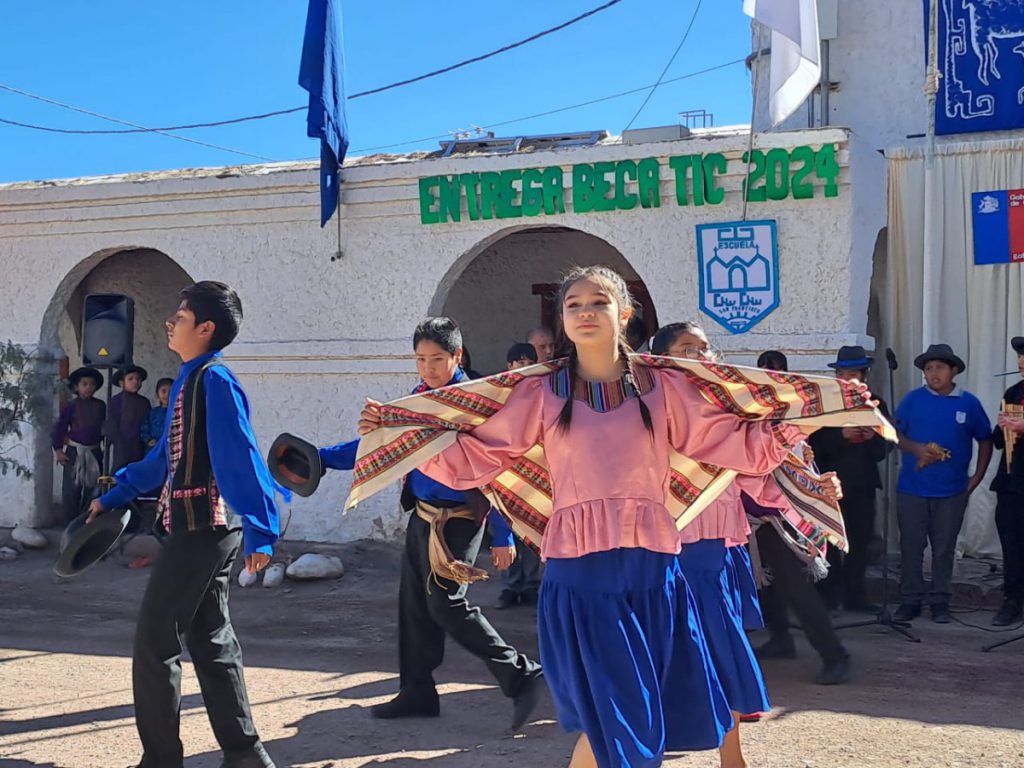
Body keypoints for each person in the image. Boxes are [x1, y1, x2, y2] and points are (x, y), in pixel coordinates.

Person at [355, 267, 880, 768]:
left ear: (624, 312)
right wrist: (401, 432)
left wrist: (811, 416)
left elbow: (730, 445)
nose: (585, 312)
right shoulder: (541, 391)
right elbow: (477, 458)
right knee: (617, 716)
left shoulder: (664, 386)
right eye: (573, 305)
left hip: (654, 573)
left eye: (598, 302)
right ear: (562, 319)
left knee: (641, 717)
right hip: (580, 577)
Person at [86, 281, 281, 768]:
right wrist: (112, 496)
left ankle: (161, 760)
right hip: (196, 533)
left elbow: (241, 455)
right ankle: (245, 754)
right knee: (212, 643)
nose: (170, 322)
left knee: (155, 647)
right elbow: (160, 463)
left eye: (180, 316)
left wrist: (261, 527)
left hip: (202, 534)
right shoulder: (190, 380)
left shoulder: (215, 381)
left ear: (206, 328)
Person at [329, 318, 543, 726]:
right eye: (420, 359)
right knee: (413, 608)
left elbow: (498, 470)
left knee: (446, 604)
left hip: (458, 521)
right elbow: (387, 444)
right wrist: (322, 459)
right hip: (422, 516)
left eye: (437, 358)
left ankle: (520, 674)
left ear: (458, 356)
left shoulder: (476, 403)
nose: (427, 367)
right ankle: (416, 693)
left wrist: (502, 534)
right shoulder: (420, 397)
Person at [652, 321, 774, 768]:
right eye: (690, 348)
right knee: (665, 651)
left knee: (721, 647)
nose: (704, 357)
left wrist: (811, 488)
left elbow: (755, 478)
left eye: (706, 349)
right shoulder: (648, 412)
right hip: (662, 549)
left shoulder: (727, 413)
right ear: (665, 360)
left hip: (713, 551)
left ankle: (733, 757)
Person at [751, 350, 851, 686]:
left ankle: (834, 655)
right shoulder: (746, 421)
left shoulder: (791, 426)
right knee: (763, 582)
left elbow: (801, 470)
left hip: (780, 517)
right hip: (745, 517)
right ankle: (781, 638)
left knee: (796, 586)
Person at [893, 343, 992, 624]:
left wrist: (977, 478)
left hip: (952, 490)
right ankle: (910, 600)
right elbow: (893, 433)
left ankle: (940, 601)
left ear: (953, 371)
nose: (933, 373)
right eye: (928, 368)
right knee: (911, 546)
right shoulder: (912, 400)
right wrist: (915, 449)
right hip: (912, 488)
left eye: (939, 367)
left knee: (944, 548)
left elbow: (985, 439)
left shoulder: (968, 403)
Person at [810, 346, 892, 613]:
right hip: (828, 486)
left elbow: (886, 447)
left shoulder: (875, 402)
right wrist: (841, 436)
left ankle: (855, 597)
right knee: (829, 543)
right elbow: (812, 445)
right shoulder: (824, 403)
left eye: (854, 372)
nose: (848, 378)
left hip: (863, 485)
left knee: (860, 542)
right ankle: (827, 598)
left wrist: (872, 438)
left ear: (864, 374)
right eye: (843, 372)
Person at [496, 342, 543, 609]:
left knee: (533, 531)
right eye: (518, 362)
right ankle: (510, 586)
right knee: (507, 527)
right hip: (506, 469)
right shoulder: (500, 393)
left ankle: (531, 585)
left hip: (536, 471)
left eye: (528, 362)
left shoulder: (544, 391)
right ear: (509, 365)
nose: (523, 367)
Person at [990, 336, 1024, 626]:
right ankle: (1012, 599)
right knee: (1012, 544)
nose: (1021, 361)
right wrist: (1004, 426)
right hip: (1012, 484)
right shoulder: (1012, 393)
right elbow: (999, 443)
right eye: (1020, 357)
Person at [52, 366, 106, 524]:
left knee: (94, 488)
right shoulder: (70, 406)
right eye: (84, 384)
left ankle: (87, 520)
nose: (89, 387)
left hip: (95, 451)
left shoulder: (100, 406)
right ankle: (70, 523)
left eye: (92, 384)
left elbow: (103, 428)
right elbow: (60, 428)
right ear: (76, 387)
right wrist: (58, 450)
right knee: (71, 489)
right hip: (74, 452)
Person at [109, 365, 151, 471]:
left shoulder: (144, 402)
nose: (135, 382)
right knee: (119, 474)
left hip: (140, 446)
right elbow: (112, 424)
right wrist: (117, 442)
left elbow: (148, 422)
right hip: (121, 446)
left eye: (138, 379)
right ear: (122, 383)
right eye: (130, 379)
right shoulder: (116, 401)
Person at [142, 377, 174, 449]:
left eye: (171, 392)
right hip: (153, 448)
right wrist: (148, 439)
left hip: (171, 449)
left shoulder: (178, 413)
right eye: (163, 391)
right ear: (157, 394)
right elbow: (144, 429)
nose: (167, 395)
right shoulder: (152, 413)